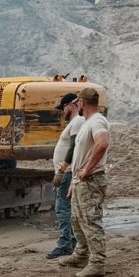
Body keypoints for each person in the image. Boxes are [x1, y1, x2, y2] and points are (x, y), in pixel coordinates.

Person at [59, 87, 110, 277]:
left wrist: (87, 169)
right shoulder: (88, 123)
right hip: (81, 181)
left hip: (91, 179)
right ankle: (81, 254)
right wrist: (75, 181)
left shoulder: (97, 121)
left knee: (90, 220)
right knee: (77, 219)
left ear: (81, 103)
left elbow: (102, 143)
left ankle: (97, 263)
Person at [46, 93, 84, 259]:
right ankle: (72, 243)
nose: (62, 112)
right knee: (68, 209)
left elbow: (74, 147)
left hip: (67, 173)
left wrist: (62, 170)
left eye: (62, 108)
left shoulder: (77, 122)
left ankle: (65, 245)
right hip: (67, 173)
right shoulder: (75, 123)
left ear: (70, 105)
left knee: (63, 209)